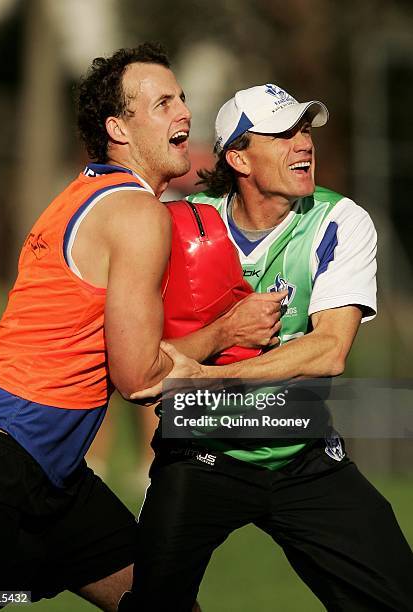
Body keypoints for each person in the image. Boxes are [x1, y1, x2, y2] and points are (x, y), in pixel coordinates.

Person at [0, 46, 282, 610]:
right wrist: (226, 333)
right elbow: (138, 378)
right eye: (162, 103)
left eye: (181, 98)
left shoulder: (81, 194)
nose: (183, 112)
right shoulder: (136, 213)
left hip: (54, 475)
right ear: (118, 128)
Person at [127, 84, 413, 611]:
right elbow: (143, 354)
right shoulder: (182, 223)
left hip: (301, 453)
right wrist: (223, 335)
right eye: (282, 134)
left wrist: (204, 377)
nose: (302, 143)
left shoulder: (340, 221)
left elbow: (328, 351)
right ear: (238, 157)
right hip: (200, 453)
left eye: (304, 130)